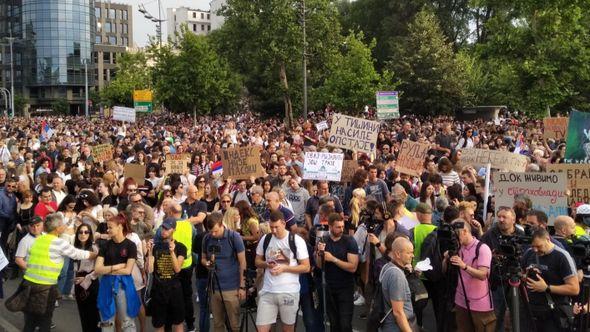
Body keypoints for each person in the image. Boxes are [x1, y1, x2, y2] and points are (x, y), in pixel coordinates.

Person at [21, 213, 96, 332]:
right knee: (45, 320)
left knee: (31, 319)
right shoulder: (58, 242)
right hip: (44, 286)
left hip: (29, 283)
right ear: (57, 228)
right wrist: (97, 254)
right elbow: (78, 254)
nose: (64, 226)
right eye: (62, 224)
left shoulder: (39, 239)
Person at [255, 210, 310, 332]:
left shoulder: (296, 240)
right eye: (271, 227)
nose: (273, 230)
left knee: (287, 329)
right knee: (261, 329)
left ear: (284, 223)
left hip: (289, 291)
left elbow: (306, 267)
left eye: (276, 227)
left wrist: (285, 268)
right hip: (268, 291)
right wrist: (267, 264)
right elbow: (257, 261)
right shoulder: (266, 238)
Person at [520, 228, 579, 331]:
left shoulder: (562, 256)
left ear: (548, 239)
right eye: (532, 246)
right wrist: (526, 276)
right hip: (531, 310)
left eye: (538, 246)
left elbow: (574, 289)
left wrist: (546, 288)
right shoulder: (529, 253)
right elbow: (521, 273)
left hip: (553, 313)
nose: (535, 250)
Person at [444, 219, 496, 332]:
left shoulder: (482, 249)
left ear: (465, 231)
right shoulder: (457, 248)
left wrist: (464, 266)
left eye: (455, 234)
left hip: (480, 305)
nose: (454, 238)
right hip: (460, 301)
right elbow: (444, 271)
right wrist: (446, 259)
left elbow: (483, 275)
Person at [480, 206, 524, 332]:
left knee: (519, 316)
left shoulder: (521, 235)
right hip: (497, 282)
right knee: (496, 317)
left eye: (505, 217)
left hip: (517, 280)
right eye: (499, 216)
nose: (501, 219)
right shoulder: (490, 235)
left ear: (513, 219)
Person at [201, 211, 247, 332]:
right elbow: (203, 258)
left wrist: (242, 286)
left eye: (216, 231)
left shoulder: (234, 237)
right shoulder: (207, 238)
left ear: (222, 225)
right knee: (217, 324)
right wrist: (207, 263)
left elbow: (243, 262)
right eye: (211, 231)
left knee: (234, 325)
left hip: (231, 288)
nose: (213, 234)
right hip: (214, 287)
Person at [94, 214, 141, 332]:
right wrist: (116, 266)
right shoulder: (105, 246)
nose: (107, 230)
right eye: (107, 227)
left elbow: (128, 270)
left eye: (110, 227)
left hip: (124, 285)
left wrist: (107, 270)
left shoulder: (130, 245)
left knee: (127, 321)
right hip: (106, 285)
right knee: (106, 320)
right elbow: (97, 269)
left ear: (120, 226)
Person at [315, 213, 359, 332]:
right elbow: (319, 265)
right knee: (334, 323)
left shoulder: (349, 241)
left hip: (345, 288)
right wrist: (320, 253)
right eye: (337, 227)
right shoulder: (324, 240)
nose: (341, 229)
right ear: (330, 226)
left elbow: (353, 267)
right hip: (329, 287)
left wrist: (333, 259)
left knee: (345, 324)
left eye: (342, 226)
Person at [146, 218, 187, 332]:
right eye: (162, 228)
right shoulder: (156, 246)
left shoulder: (181, 247)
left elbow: (177, 269)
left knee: (178, 323)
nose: (164, 231)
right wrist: (149, 252)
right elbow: (149, 270)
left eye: (167, 228)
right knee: (159, 324)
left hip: (174, 290)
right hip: (158, 290)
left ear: (173, 230)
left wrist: (172, 252)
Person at [379, 236, 417, 332]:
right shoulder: (396, 275)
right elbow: (398, 312)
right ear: (398, 254)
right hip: (396, 328)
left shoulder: (387, 266)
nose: (413, 256)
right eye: (409, 253)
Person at [73, 223, 100, 332]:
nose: (83, 234)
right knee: (83, 313)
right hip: (78, 280)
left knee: (93, 313)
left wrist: (86, 279)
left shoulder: (94, 248)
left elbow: (98, 269)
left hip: (91, 280)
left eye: (86, 232)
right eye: (80, 232)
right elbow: (74, 268)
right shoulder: (75, 248)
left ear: (90, 234)